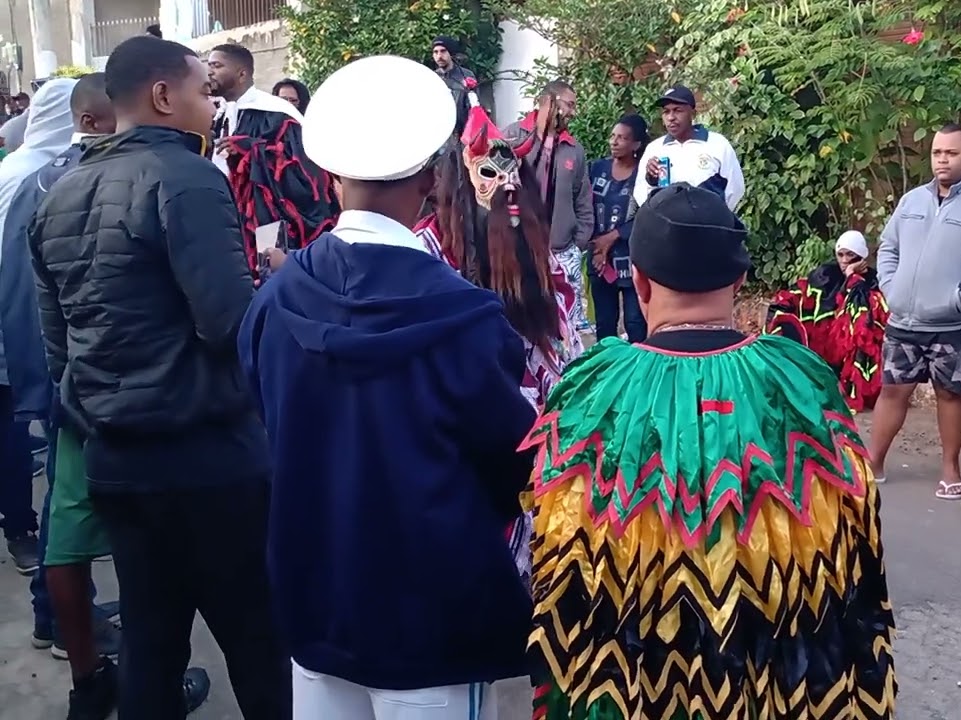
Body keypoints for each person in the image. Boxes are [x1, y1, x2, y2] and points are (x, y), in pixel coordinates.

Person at [522, 182, 895, 719]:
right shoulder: (800, 383)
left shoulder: (592, 392)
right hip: (773, 676)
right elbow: (855, 552)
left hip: (631, 681)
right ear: (740, 279)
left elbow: (559, 565)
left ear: (639, 280)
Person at [239, 54, 533, 720]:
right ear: (433, 180)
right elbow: (513, 461)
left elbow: (268, 418)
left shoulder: (276, 299)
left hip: (316, 602)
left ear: (329, 173)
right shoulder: (466, 319)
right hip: (433, 617)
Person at [29, 36, 289, 718]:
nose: (213, 102)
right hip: (206, 457)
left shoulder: (58, 194)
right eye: (205, 90)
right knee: (257, 640)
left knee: (152, 641)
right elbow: (226, 324)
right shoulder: (188, 177)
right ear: (164, 96)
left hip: (116, 458)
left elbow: (60, 348)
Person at [869, 123, 961, 498]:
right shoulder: (912, 201)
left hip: (957, 323)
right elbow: (888, 247)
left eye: (951, 153)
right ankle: (873, 462)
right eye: (937, 152)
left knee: (950, 393)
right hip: (905, 317)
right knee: (893, 390)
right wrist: (891, 287)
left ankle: (950, 467)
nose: (942, 160)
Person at [417, 80, 583, 410]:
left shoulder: (534, 246)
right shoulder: (429, 251)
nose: (508, 184)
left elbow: (562, 329)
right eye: (490, 172)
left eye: (514, 172)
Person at [0, 78, 79, 582]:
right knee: (12, 431)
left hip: (21, 317)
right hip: (15, 318)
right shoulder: (31, 176)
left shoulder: (35, 169)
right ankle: (21, 530)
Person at [208, 43, 340, 276]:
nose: (209, 72)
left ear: (242, 73)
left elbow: (306, 176)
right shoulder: (218, 114)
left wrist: (253, 150)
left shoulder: (275, 113)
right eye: (208, 65)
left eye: (217, 65)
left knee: (270, 280)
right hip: (228, 218)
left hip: (270, 222)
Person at [766, 229, 889, 412]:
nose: (844, 260)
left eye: (850, 255)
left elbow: (863, 308)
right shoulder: (825, 275)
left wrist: (852, 275)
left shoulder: (872, 279)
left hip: (851, 341)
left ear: (861, 256)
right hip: (824, 341)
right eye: (840, 254)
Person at [507, 80, 593, 333]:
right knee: (523, 323)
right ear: (548, 101)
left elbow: (583, 199)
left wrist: (578, 243)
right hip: (518, 248)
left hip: (562, 250)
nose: (573, 112)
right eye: (569, 105)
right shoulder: (512, 136)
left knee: (567, 328)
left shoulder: (574, 150)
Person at [633, 84, 745, 211]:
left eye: (678, 110)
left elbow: (735, 188)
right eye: (666, 112)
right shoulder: (655, 149)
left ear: (693, 113)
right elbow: (641, 192)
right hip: (669, 227)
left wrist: (716, 217)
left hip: (709, 226)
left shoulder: (717, 144)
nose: (671, 117)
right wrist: (651, 179)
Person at [587, 114, 648, 342]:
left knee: (635, 321)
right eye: (613, 136)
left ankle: (639, 372)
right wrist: (597, 245)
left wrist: (613, 236)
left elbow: (647, 213)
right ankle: (608, 372)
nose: (614, 142)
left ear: (636, 144)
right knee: (604, 323)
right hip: (599, 260)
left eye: (622, 138)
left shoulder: (644, 175)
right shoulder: (596, 169)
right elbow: (584, 206)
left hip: (632, 259)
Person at [432, 36, 476, 109]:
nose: (439, 56)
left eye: (443, 51)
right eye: (436, 52)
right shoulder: (432, 78)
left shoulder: (466, 75)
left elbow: (474, 105)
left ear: (451, 54)